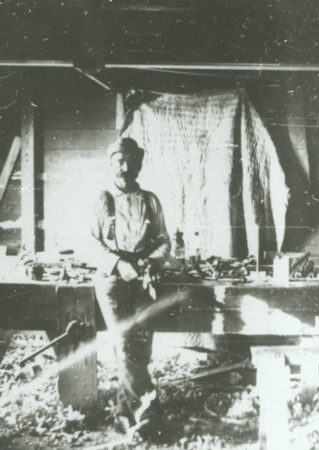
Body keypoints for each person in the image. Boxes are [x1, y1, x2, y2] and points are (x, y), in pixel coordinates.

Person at [90, 137, 170, 436]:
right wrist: (117, 264)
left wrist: (151, 261)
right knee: (125, 344)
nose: (126, 167)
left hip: (143, 278)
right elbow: (89, 243)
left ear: (139, 163)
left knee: (141, 346)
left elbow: (164, 240)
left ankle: (124, 415)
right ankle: (149, 409)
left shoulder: (150, 200)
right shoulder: (101, 199)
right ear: (111, 163)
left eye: (131, 161)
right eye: (120, 161)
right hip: (112, 280)